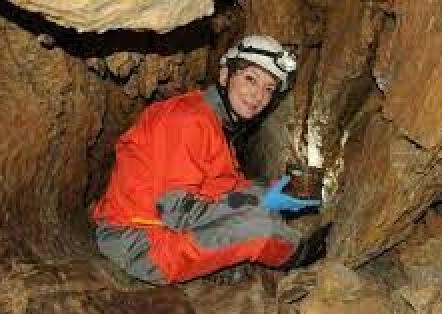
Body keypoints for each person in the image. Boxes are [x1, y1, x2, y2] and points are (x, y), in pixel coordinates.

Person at [92, 35, 330, 285]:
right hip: (138, 241)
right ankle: (299, 255)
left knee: (262, 204)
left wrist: (269, 193)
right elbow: (176, 212)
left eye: (268, 88)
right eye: (250, 78)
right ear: (226, 76)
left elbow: (223, 187)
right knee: (259, 228)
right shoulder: (188, 120)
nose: (258, 95)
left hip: (156, 228)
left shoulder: (214, 123)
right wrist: (261, 207)